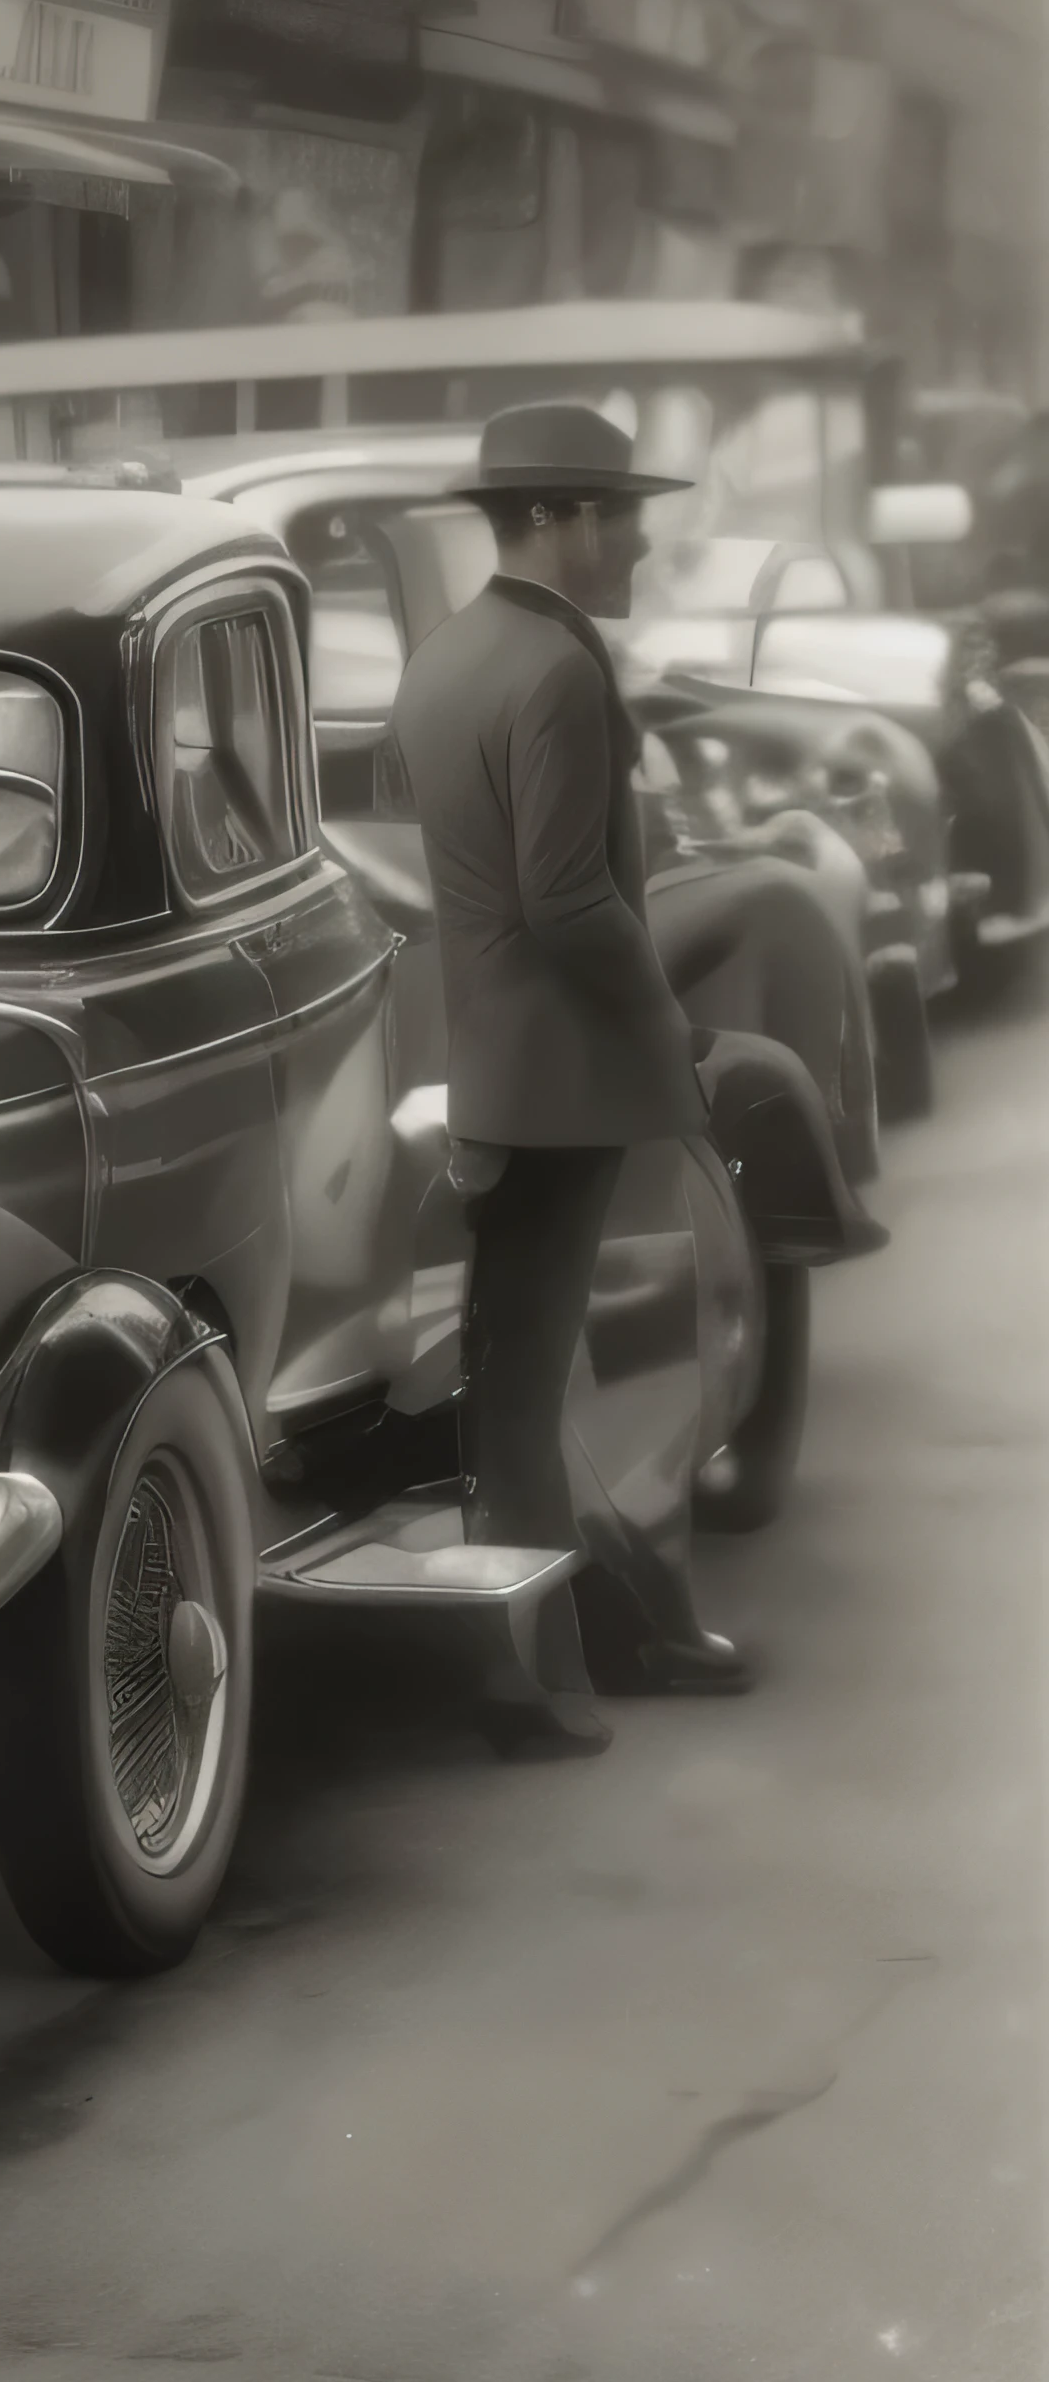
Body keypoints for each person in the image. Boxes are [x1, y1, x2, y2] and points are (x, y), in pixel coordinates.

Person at [391, 398, 753, 1754]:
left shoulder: (449, 655)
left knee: (516, 1378)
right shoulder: (558, 668)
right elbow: (571, 899)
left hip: (491, 1061)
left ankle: (550, 1658)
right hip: (571, 1076)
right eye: (632, 516)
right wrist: (664, 1025)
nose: (645, 545)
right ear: (568, 519)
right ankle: (537, 1679)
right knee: (568, 1381)